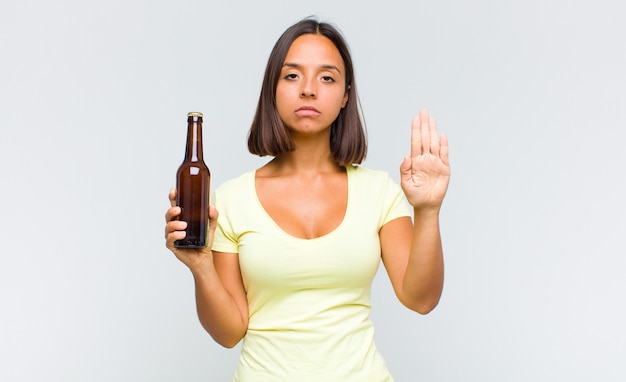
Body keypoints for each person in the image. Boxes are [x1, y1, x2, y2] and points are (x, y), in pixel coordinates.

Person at [165, 17, 450, 381]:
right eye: (292, 75)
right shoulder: (232, 199)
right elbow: (229, 332)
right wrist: (202, 266)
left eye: (327, 77)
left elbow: (421, 299)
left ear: (346, 95)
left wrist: (427, 210)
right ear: (273, 89)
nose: (309, 90)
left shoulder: (379, 192)